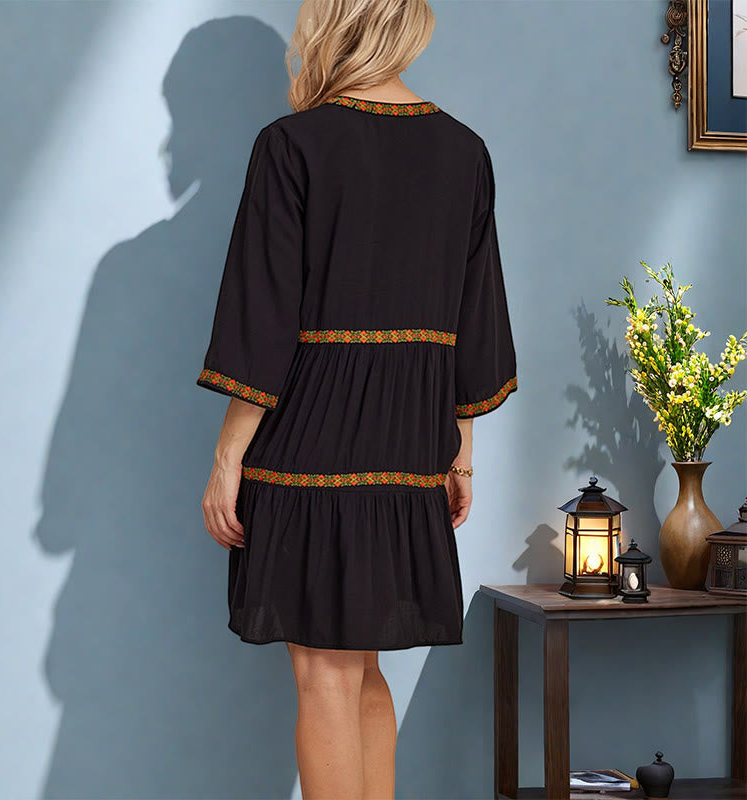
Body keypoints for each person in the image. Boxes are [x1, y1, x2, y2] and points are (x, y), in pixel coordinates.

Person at [197, 0, 517, 797]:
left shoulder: (291, 145)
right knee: (362, 669)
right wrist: (460, 454)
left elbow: (262, 318)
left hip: (309, 450)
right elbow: (476, 319)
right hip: (409, 449)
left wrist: (228, 456)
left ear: (331, 23)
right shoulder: (465, 151)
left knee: (326, 678)